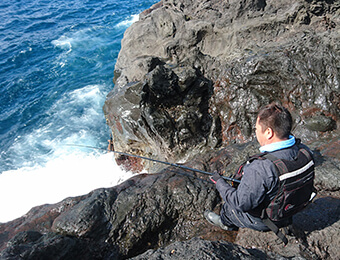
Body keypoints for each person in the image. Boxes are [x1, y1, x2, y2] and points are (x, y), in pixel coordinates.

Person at [204, 103, 314, 232]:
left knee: (230, 208)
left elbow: (241, 203)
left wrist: (219, 182)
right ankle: (286, 220)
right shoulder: (305, 150)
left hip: (266, 221)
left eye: (256, 129)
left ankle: (225, 223)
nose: (255, 132)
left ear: (268, 132)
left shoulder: (260, 168)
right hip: (293, 209)